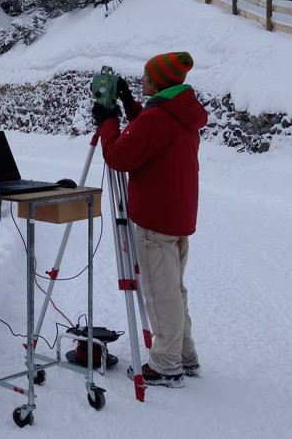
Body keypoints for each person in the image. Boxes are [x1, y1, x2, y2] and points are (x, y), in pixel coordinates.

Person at [91, 51, 207, 388]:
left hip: (156, 218)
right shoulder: (180, 111)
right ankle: (185, 355)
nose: (140, 79)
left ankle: (166, 364)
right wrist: (129, 105)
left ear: (158, 81)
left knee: (160, 293)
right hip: (177, 214)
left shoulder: (159, 118)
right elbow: (151, 132)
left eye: (145, 75)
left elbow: (119, 156)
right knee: (174, 288)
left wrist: (108, 120)